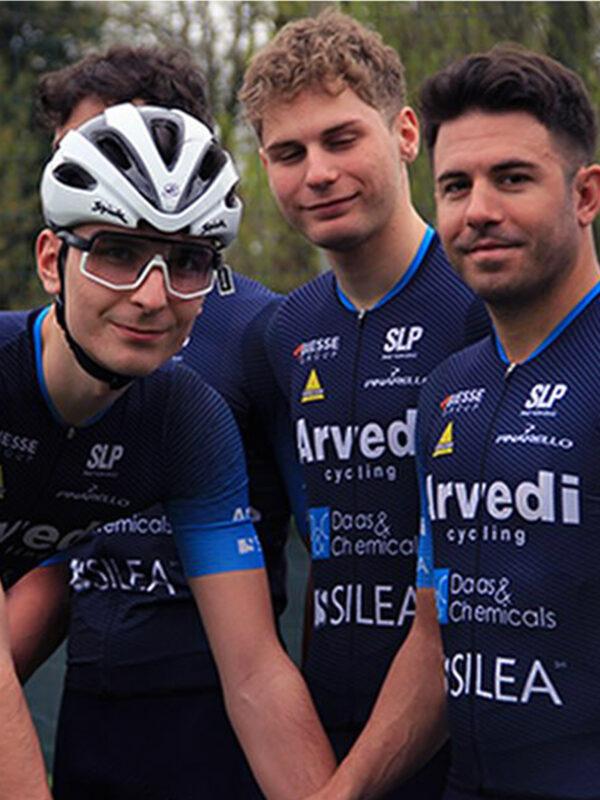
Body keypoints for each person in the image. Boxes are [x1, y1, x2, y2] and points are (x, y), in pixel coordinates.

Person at [0, 100, 335, 799]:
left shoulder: (185, 423)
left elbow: (255, 673)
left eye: (186, 262)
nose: (153, 296)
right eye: (118, 253)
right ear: (52, 261)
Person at [300, 44, 600, 800]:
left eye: (513, 178)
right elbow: (434, 642)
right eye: (456, 186)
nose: (480, 211)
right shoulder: (445, 390)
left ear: (587, 194)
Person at [239, 11, 488, 799]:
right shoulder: (284, 331)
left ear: (406, 133)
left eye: (341, 139)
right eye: (289, 153)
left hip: (474, 739)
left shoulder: (484, 304)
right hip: (328, 728)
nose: (317, 173)